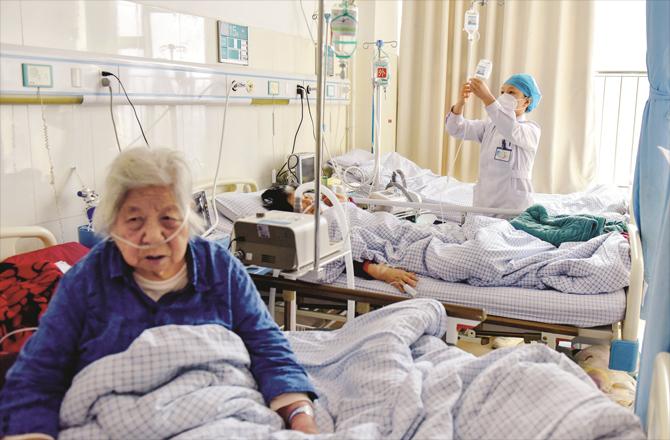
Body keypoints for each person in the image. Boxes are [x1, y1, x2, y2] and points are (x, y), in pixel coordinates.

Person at [0, 148, 318, 438]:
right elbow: (37, 374)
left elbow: (268, 346)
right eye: (135, 220)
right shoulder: (87, 280)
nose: (152, 236)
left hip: (221, 412)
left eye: (167, 218)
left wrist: (300, 415)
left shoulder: (218, 267)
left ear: (187, 218)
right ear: (112, 225)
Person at [261, 185, 419, 292]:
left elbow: (360, 218)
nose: (309, 200)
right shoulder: (316, 228)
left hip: (394, 227)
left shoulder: (327, 209)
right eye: (301, 202)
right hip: (396, 244)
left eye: (305, 196)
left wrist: (344, 202)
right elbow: (343, 249)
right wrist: (380, 271)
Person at [446, 73, 542, 210]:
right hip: (484, 203)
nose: (504, 96)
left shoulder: (531, 130)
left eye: (511, 92)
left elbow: (510, 129)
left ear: (527, 102)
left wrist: (487, 97)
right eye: (502, 92)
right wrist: (461, 103)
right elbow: (455, 128)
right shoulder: (490, 126)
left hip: (513, 207)